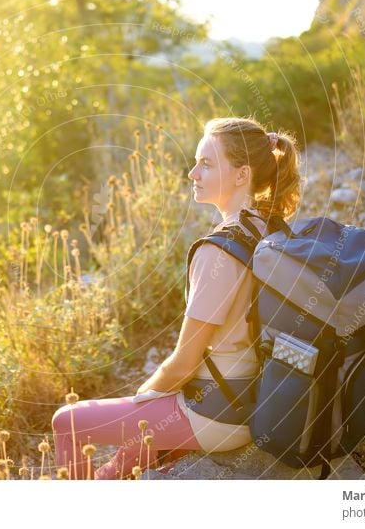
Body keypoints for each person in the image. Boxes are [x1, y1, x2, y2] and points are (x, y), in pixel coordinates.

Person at [50, 117, 301, 480]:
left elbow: (184, 364)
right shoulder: (271, 228)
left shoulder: (219, 251)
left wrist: (144, 394)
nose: (192, 173)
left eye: (207, 163)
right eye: (196, 161)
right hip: (257, 402)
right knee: (120, 465)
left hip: (216, 413)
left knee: (67, 422)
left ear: (242, 175)